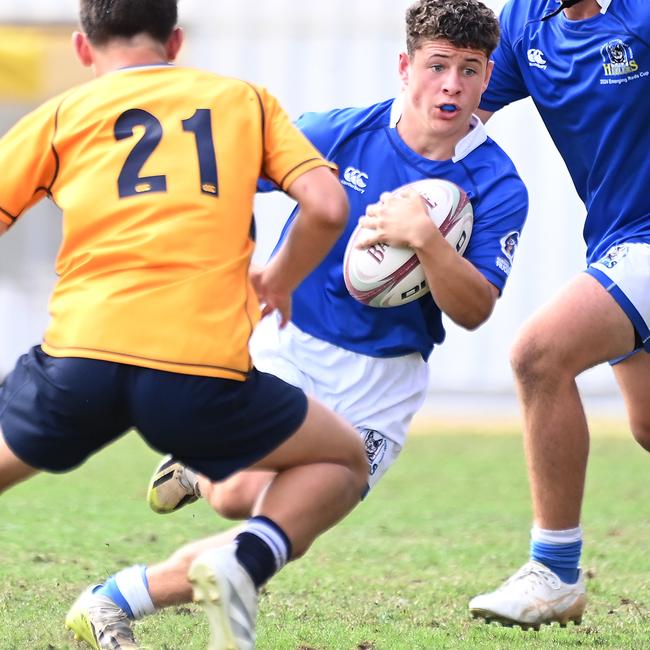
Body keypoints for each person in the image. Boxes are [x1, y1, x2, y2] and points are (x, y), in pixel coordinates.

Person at [66, 2, 528, 647]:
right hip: (292, 346)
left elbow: (475, 310)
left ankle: (113, 598)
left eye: (470, 70)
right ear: (405, 67)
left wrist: (427, 241)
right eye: (437, 65)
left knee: (287, 527)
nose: (451, 84)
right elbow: (221, 174)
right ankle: (199, 473)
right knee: (241, 496)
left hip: (386, 384)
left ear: (486, 81)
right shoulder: (339, 134)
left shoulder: (498, 183)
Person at [0, 1, 373, 649]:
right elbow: (327, 204)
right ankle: (240, 562)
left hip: (82, 357)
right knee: (342, 460)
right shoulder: (243, 101)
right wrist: (280, 277)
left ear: (83, 50)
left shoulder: (61, 116)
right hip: (197, 372)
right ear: (175, 40)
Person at [468, 0, 650, 631]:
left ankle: (555, 572)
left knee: (540, 354)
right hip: (617, 238)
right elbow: (465, 115)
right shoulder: (524, 21)